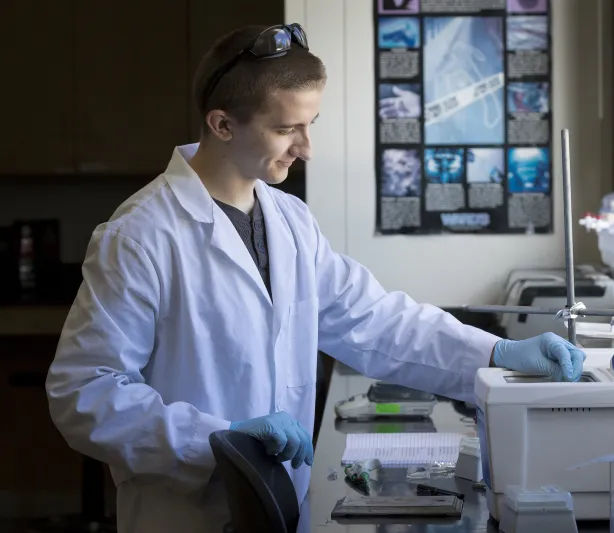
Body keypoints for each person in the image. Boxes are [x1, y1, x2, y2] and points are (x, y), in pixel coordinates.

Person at [45, 24, 586, 533]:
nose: (307, 147)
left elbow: (376, 322)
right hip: (189, 512)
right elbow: (83, 392)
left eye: (311, 124)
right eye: (287, 129)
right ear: (222, 124)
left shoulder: (289, 220)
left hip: (284, 502)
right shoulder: (140, 235)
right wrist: (215, 440)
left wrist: (496, 355)